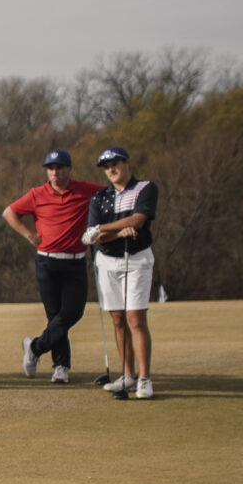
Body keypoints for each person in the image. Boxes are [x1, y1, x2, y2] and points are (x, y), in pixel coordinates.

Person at [3, 148, 93, 385]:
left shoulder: (85, 191)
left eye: (59, 168)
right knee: (54, 315)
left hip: (75, 262)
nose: (54, 173)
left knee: (72, 312)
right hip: (47, 261)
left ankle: (34, 346)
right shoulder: (37, 194)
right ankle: (61, 366)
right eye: (50, 169)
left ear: (68, 169)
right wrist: (29, 234)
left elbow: (111, 197)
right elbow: (9, 212)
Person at [87, 145, 160, 400]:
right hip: (108, 261)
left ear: (127, 163)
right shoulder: (98, 197)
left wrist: (103, 229)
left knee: (135, 319)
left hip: (137, 259)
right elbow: (95, 237)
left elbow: (138, 220)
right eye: (106, 167)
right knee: (117, 319)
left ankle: (144, 378)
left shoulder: (145, 188)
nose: (111, 170)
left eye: (115, 164)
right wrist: (116, 232)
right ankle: (127, 375)